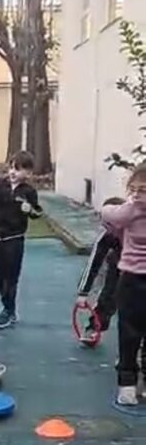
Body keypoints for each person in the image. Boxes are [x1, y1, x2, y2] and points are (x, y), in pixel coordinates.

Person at [98, 164, 146, 407]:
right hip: (132, 280)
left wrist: (115, 209)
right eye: (133, 189)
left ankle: (130, 385)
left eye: (142, 190)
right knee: (132, 333)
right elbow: (111, 216)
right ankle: (130, 385)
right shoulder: (131, 208)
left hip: (132, 279)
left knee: (130, 333)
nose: (136, 195)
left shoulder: (130, 210)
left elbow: (108, 213)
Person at [0, 151, 43, 328]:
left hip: (14, 240)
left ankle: (8, 311)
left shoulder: (28, 192)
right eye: (11, 167)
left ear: (28, 173)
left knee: (11, 278)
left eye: (17, 169)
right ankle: (8, 307)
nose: (12, 172)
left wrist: (29, 209)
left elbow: (37, 212)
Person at [76, 199, 124, 346]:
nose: (105, 226)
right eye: (104, 222)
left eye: (109, 223)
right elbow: (94, 263)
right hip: (118, 264)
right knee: (108, 296)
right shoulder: (107, 236)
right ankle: (95, 327)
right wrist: (83, 292)